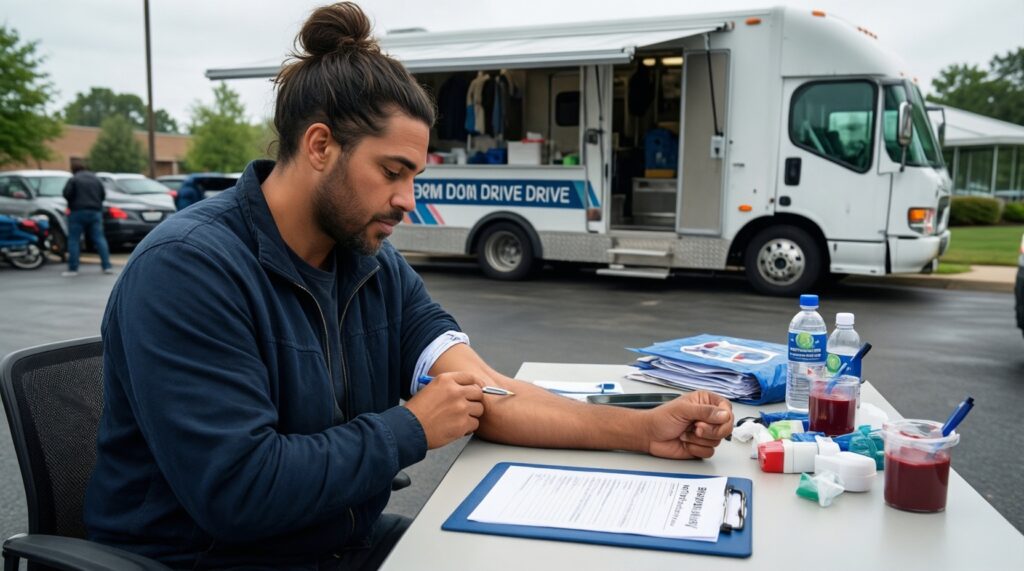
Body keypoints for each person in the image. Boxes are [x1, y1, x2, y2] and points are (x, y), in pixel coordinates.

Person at [83, 3, 735, 570]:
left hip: (334, 547)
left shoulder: (370, 262)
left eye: (416, 175)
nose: (408, 201)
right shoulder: (190, 269)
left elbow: (484, 390)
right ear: (319, 146)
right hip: (209, 560)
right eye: (392, 171)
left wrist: (642, 429)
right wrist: (409, 428)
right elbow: (239, 491)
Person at [61, 161, 113, 276]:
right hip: (95, 212)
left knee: (74, 240)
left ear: (73, 169)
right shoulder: (96, 179)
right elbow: (103, 195)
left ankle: (73, 268)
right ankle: (106, 266)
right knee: (99, 239)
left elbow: (66, 194)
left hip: (77, 212)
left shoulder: (74, 179)